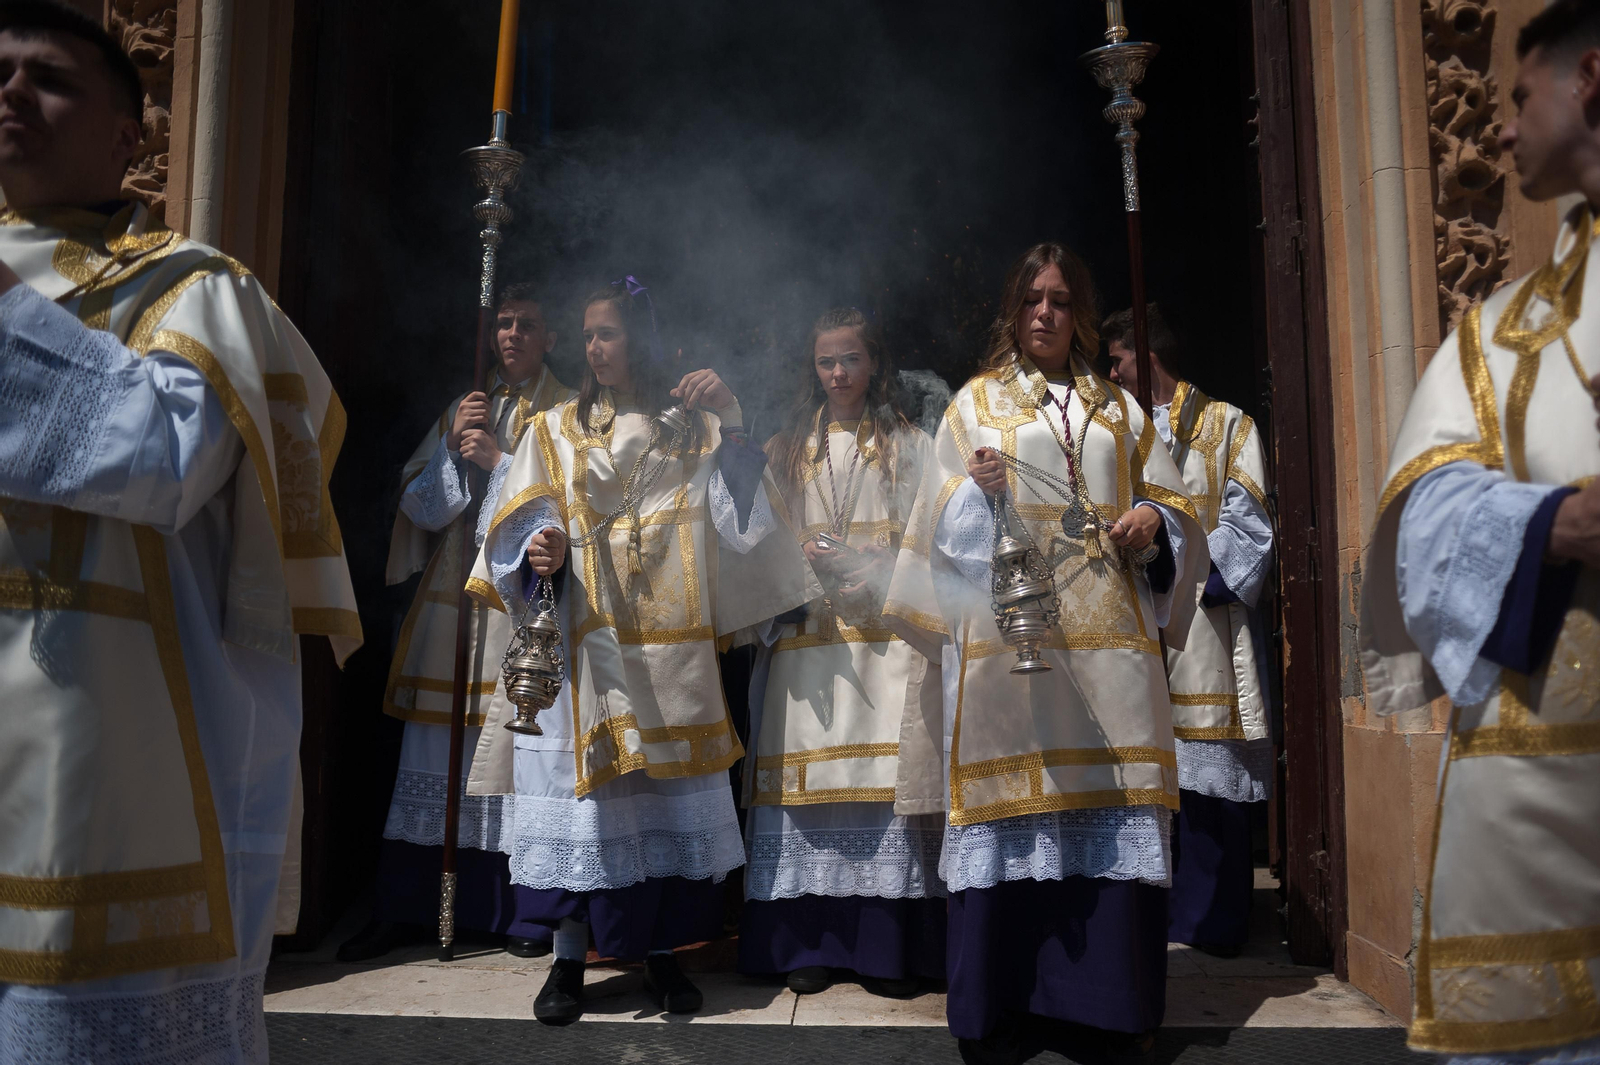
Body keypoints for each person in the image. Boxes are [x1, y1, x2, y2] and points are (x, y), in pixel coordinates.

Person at [0, 3, 360, 1062]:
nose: (11, 93)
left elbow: (157, 455)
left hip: (94, 771)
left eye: (48, 78)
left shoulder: (197, 289)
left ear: (131, 137)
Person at [884, 243, 1207, 1065]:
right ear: (1013, 309)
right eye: (1032, 298)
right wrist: (977, 491)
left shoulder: (1119, 409)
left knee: (1109, 810)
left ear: (1080, 313)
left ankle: (1108, 1008)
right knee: (1013, 810)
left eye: (1061, 300)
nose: (1045, 313)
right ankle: (1001, 1010)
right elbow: (936, 526)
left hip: (1112, 656)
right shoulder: (975, 405)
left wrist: (1153, 522)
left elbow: (1173, 505)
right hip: (1013, 649)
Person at [463, 279, 819, 1024]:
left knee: (661, 810)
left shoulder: (690, 432)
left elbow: (745, 526)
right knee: (584, 811)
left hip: (668, 656)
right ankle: (567, 961)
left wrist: (732, 416)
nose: (594, 348)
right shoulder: (555, 430)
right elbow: (513, 523)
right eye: (588, 334)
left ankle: (662, 955)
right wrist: (540, 549)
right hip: (585, 651)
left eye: (610, 334)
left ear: (641, 341)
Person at [1360, 3, 1600, 1062]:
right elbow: (1420, 519)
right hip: (1547, 794)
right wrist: (1555, 523)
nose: (1498, 129)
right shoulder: (1497, 333)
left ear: (1589, 80)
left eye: (1519, 96)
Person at [337, 284, 573, 962]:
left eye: (527, 324)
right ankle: (408, 905)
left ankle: (522, 910)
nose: (512, 335)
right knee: (431, 751)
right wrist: (449, 445)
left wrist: (499, 464)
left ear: (550, 338)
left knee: (516, 755)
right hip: (453, 609)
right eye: (504, 323)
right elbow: (420, 508)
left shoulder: (565, 413)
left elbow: (569, 509)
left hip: (519, 606)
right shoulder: (466, 406)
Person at [738, 307, 946, 997]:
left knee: (885, 791)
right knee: (807, 796)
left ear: (873, 362)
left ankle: (886, 945)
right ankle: (808, 942)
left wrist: (888, 560)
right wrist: (798, 556)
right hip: (809, 645)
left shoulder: (911, 444)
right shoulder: (785, 449)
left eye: (851, 358)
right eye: (826, 361)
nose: (838, 373)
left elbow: (937, 538)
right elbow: (756, 544)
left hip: (886, 643)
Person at [1104, 306, 1275, 959]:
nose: (1110, 375)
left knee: (1209, 775)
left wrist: (1175, 564)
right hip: (1129, 626)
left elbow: (1250, 529)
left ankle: (1210, 918)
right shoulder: (1112, 432)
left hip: (1205, 626)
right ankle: (1147, 913)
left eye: (1117, 361)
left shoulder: (1228, 426)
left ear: (1145, 356)